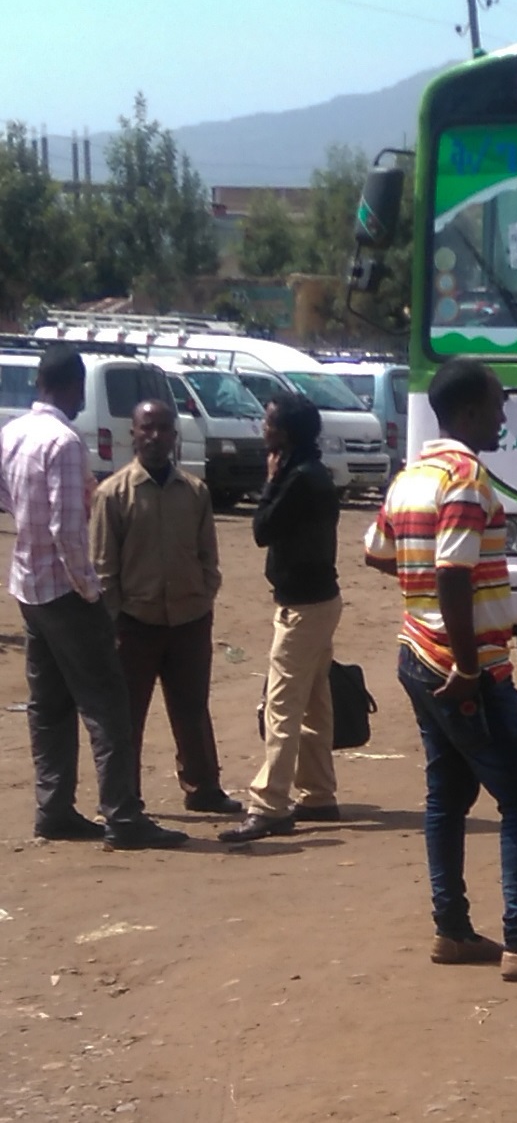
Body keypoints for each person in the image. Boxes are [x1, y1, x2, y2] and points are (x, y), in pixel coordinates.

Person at [363, 358, 517, 981]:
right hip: (465, 666)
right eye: (497, 404)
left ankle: (454, 931)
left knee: (447, 796)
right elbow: (451, 572)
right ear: (469, 411)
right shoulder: (467, 478)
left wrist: (427, 585)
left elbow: (378, 552)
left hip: (415, 654)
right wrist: (468, 665)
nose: (503, 416)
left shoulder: (412, 474)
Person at [3, 347, 187, 850]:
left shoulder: (13, 433)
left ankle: (54, 807)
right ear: (73, 387)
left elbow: (6, 498)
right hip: (64, 591)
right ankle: (123, 816)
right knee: (107, 703)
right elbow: (67, 530)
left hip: (29, 587)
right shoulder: (63, 442)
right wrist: (91, 591)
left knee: (50, 705)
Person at [92, 398, 238, 816]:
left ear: (175, 436)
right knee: (126, 719)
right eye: (147, 428)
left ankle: (204, 789)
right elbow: (104, 568)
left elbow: (208, 557)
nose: (155, 437)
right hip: (134, 624)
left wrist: (203, 595)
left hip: (189, 621)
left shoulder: (194, 492)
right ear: (132, 434)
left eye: (164, 429)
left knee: (192, 709)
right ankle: (123, 798)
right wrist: (116, 618)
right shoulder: (113, 495)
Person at [222, 394, 348, 842]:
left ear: (286, 432)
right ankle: (317, 792)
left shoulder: (298, 478)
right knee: (314, 700)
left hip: (304, 606)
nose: (262, 428)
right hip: (319, 600)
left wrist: (271, 482)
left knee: (282, 703)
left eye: (269, 422)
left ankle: (270, 803)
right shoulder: (316, 473)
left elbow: (262, 531)